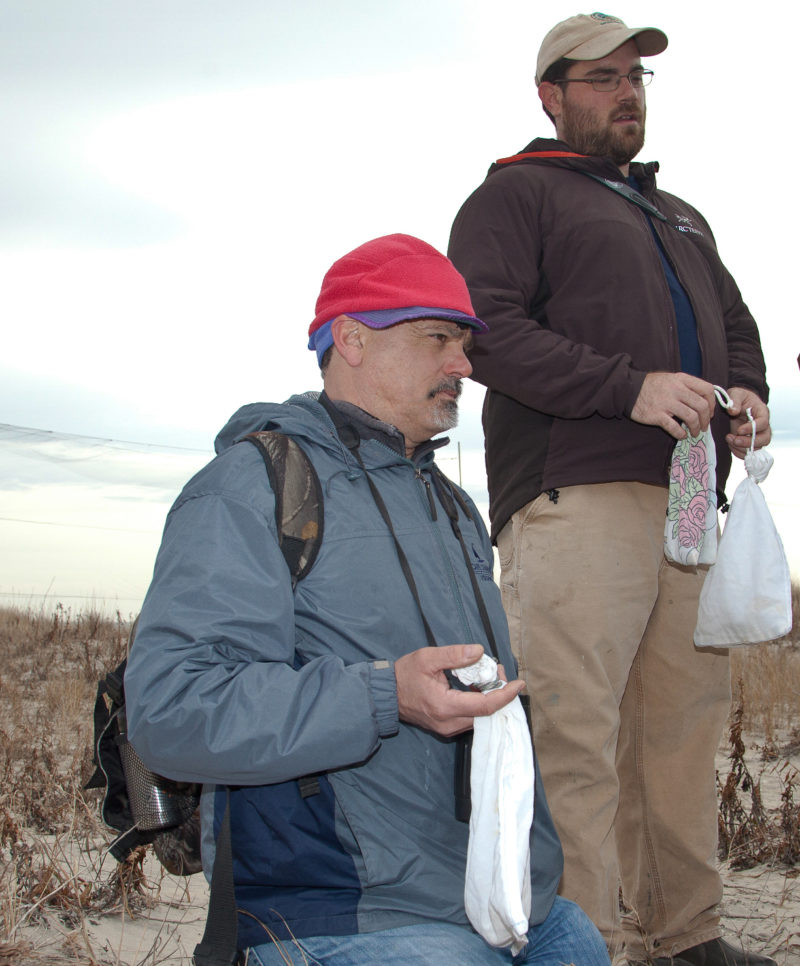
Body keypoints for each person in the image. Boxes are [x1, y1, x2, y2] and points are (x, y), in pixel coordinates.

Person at [124, 233, 607, 965]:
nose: (463, 364)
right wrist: (385, 696)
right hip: (334, 910)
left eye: (465, 342)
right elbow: (170, 708)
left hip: (500, 899)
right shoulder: (253, 486)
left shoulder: (449, 505)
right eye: (437, 337)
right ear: (349, 338)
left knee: (582, 943)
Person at [447, 13, 774, 966]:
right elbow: (485, 331)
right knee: (572, 737)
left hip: (690, 504)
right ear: (549, 95)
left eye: (635, 76)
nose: (626, 91)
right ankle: (574, 944)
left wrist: (746, 395)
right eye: (601, 78)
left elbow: (738, 325)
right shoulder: (512, 199)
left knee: (678, 731)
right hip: (574, 493)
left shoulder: (680, 215)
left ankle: (686, 937)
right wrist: (628, 388)